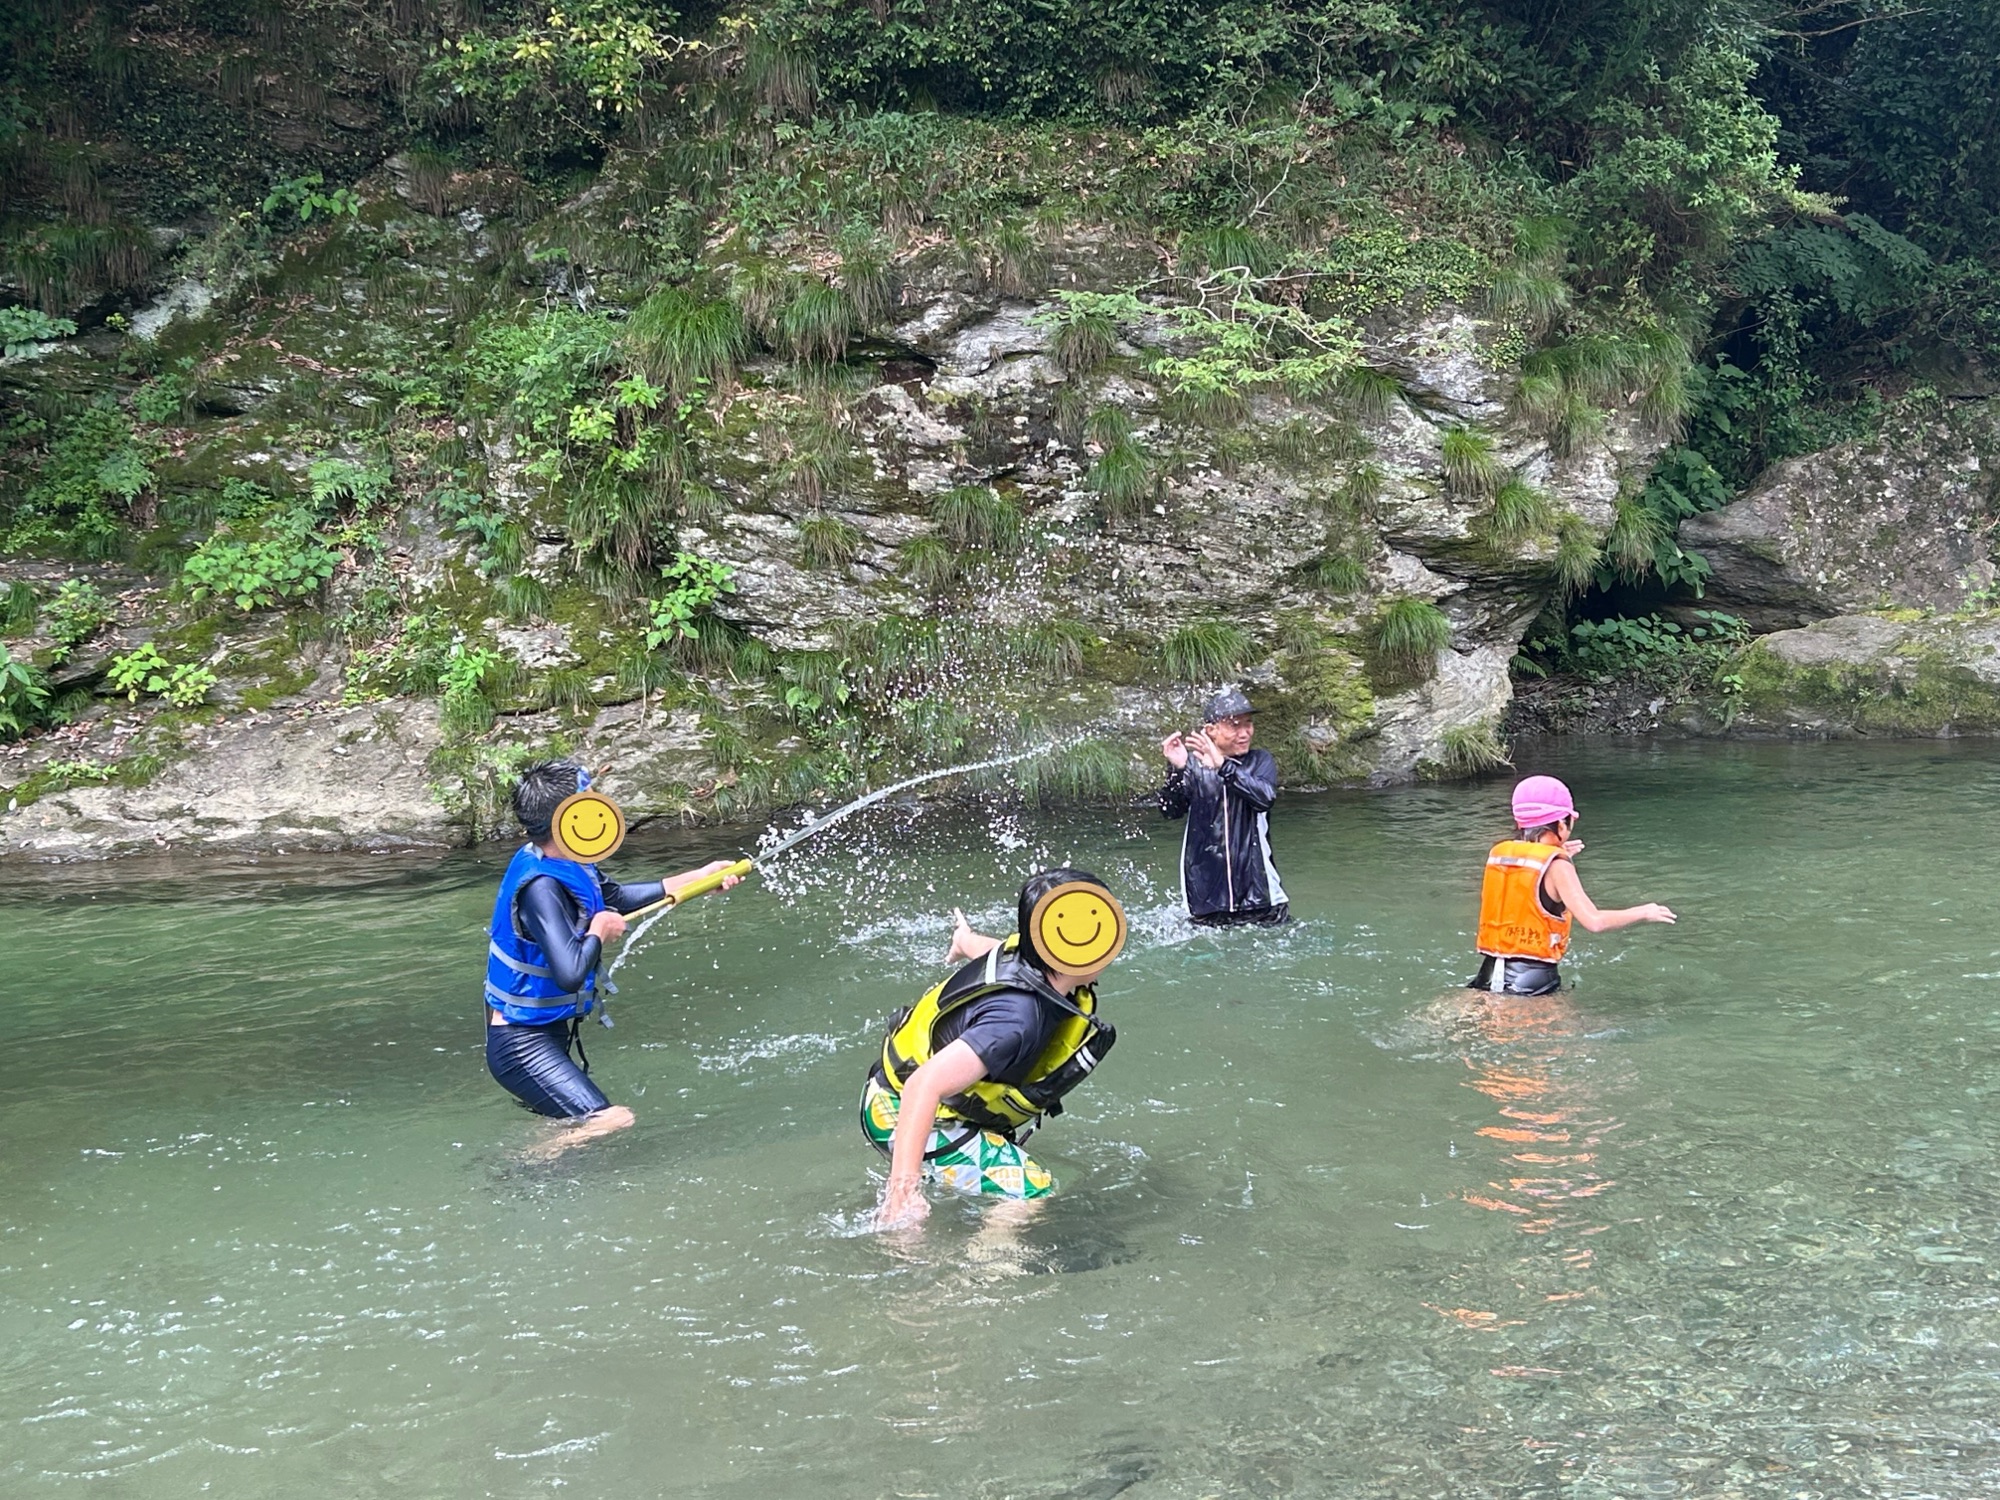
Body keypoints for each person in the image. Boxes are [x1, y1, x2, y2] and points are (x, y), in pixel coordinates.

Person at [484, 759, 742, 1149]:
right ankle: (522, 1161)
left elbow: (616, 899)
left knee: (576, 1121)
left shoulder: (566, 860)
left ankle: (546, 1148)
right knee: (614, 1119)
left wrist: (701, 878)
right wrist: (598, 931)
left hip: (541, 1030)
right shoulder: (541, 887)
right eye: (586, 800)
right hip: (520, 1044)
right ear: (565, 819)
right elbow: (571, 971)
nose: (597, 805)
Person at [866, 869, 1127, 1227]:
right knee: (1030, 1191)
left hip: (904, 1098)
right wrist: (902, 1192)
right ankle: (981, 1274)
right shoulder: (1015, 1024)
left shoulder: (1033, 961)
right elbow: (922, 1085)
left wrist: (965, 940)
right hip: (895, 1112)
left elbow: (989, 950)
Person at [1470, 774, 1676, 997]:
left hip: (1488, 973)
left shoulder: (1499, 854)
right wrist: (1643, 912)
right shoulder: (1558, 867)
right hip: (1533, 980)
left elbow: (1525, 887)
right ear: (1561, 823)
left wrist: (1555, 857)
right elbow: (1595, 922)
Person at [1158, 686, 1288, 925]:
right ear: (1211, 730)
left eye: (1248, 723)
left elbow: (1264, 798)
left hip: (1261, 898)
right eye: (1234, 725)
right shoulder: (1192, 765)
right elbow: (1170, 811)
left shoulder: (1260, 761)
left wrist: (1222, 766)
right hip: (1206, 900)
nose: (1245, 732)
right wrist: (1176, 770)